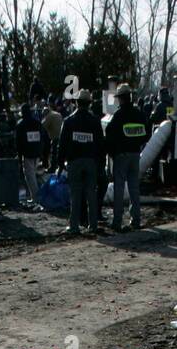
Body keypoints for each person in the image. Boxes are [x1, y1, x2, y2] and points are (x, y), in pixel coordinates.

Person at [57, 88, 104, 236]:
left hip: (74, 162)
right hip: (91, 162)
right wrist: (100, 164)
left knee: (75, 194)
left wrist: (59, 164)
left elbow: (62, 144)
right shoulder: (95, 121)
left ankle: (74, 226)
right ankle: (93, 225)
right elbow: (100, 144)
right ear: (89, 103)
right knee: (91, 193)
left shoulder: (69, 121)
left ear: (77, 103)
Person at [105, 82, 146, 232]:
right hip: (135, 154)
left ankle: (117, 222)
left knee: (119, 189)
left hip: (121, 155)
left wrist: (112, 152)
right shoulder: (139, 114)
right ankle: (136, 220)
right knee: (134, 188)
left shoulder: (119, 115)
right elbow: (145, 134)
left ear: (120, 99)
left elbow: (109, 134)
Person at [15, 103, 43, 206]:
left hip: (27, 154)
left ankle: (36, 198)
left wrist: (19, 155)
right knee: (35, 175)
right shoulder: (37, 122)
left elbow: (18, 143)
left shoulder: (20, 124)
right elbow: (42, 137)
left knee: (30, 176)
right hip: (37, 152)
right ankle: (36, 196)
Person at [42, 98, 63, 171]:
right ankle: (58, 166)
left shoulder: (49, 116)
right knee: (58, 153)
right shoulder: (57, 114)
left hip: (55, 137)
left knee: (53, 153)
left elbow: (42, 126)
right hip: (61, 136)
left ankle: (52, 168)